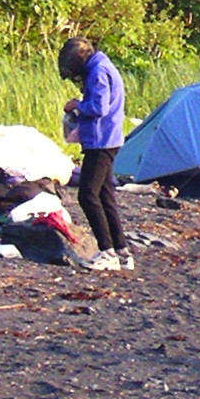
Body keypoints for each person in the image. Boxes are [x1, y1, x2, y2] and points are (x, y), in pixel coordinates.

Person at [58, 35, 131, 272]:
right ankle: (122, 252)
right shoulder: (104, 64)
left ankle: (107, 251)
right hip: (108, 139)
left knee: (87, 195)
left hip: (101, 142)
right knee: (105, 194)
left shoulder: (98, 71)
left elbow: (99, 107)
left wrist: (76, 105)